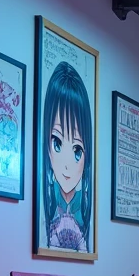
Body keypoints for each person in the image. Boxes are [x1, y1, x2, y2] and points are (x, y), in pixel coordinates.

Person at [41, 61, 93, 253]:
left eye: (77, 150)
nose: (66, 166)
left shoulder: (82, 204)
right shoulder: (47, 199)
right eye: (57, 143)